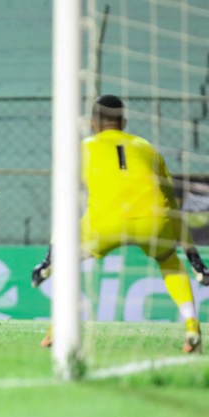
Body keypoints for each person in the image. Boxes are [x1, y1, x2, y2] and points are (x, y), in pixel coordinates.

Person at [32, 94, 208, 353]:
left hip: (106, 222)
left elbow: (65, 204)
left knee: (69, 263)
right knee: (169, 261)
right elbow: (173, 208)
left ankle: (58, 327)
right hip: (153, 220)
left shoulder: (81, 149)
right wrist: (194, 259)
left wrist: (50, 258)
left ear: (92, 123)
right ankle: (192, 326)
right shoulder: (147, 148)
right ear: (123, 122)